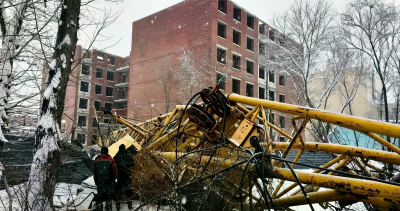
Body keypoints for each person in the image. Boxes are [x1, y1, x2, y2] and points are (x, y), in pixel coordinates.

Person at [93, 146, 118, 211]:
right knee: (108, 196)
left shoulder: (97, 160)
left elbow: (94, 171)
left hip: (100, 181)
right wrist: (114, 179)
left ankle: (99, 208)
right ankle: (108, 208)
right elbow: (115, 171)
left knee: (100, 196)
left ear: (101, 151)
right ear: (107, 151)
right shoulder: (111, 159)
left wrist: (96, 181)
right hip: (109, 181)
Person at [114, 144, 134, 210]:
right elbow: (133, 163)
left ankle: (118, 206)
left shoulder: (117, 155)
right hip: (127, 176)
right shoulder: (128, 155)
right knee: (128, 192)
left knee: (118, 192)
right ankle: (130, 206)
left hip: (120, 176)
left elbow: (113, 164)